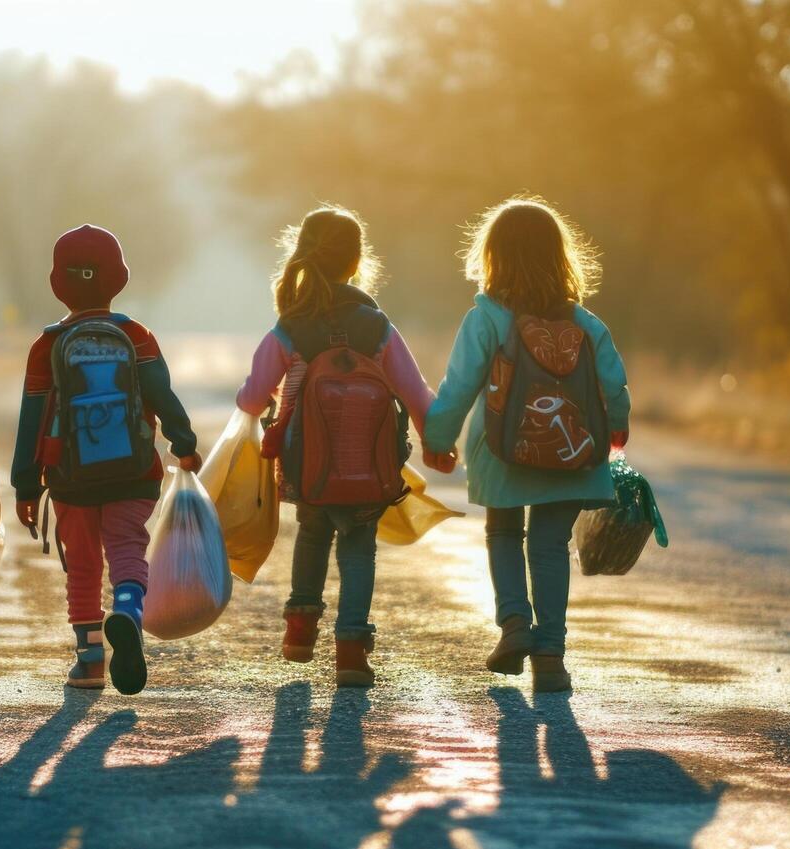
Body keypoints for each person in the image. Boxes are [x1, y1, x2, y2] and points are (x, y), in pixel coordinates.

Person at [422, 198, 631, 692]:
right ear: (560, 256)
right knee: (551, 546)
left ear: (493, 256)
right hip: (572, 454)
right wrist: (616, 430)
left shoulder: (487, 318)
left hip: (502, 451)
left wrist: (438, 438)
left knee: (503, 534)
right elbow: (613, 385)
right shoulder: (585, 322)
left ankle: (515, 625)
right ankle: (552, 657)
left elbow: (459, 385)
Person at [235, 206, 435, 688]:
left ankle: (300, 630)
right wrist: (437, 442)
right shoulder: (376, 325)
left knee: (312, 531)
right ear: (355, 261)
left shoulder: (292, 325)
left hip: (308, 465)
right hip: (370, 464)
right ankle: (350, 651)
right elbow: (414, 392)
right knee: (359, 549)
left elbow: (252, 396)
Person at [11, 225, 200, 696]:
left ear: (58, 284)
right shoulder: (136, 336)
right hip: (133, 472)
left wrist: (26, 485)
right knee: (126, 550)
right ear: (120, 279)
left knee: (83, 565)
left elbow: (32, 417)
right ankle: (129, 614)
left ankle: (90, 661)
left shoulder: (47, 346)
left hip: (70, 478)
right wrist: (184, 443)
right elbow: (162, 396)